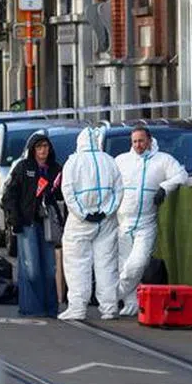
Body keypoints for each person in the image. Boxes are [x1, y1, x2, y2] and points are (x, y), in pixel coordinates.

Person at [114, 126, 187, 316]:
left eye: (141, 141)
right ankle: (131, 305)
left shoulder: (162, 160)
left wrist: (165, 188)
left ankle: (110, 295)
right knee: (124, 265)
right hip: (123, 222)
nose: (138, 145)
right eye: (135, 142)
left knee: (137, 264)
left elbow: (181, 175)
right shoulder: (122, 161)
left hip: (146, 224)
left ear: (149, 140)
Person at [58, 125, 122, 321]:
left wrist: (83, 213)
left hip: (80, 222)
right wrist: (106, 211)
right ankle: (109, 307)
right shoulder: (109, 161)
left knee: (77, 264)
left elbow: (68, 192)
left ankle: (77, 307)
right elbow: (119, 190)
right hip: (106, 221)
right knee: (107, 264)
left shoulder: (73, 162)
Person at [3, 130, 62, 317]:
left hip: (47, 224)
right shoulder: (23, 167)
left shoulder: (55, 169)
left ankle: (50, 307)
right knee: (32, 269)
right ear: (32, 150)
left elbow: (62, 196)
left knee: (49, 270)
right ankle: (31, 307)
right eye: (39, 147)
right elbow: (9, 195)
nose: (43, 150)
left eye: (45, 146)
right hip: (27, 223)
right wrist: (14, 219)